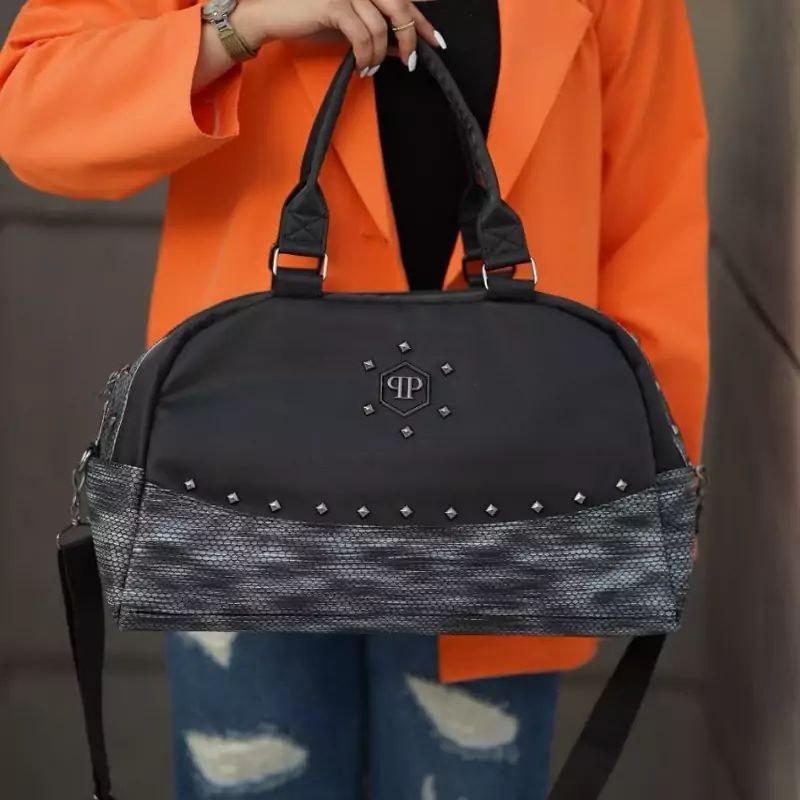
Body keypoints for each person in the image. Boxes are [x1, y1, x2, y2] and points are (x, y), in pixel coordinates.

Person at [0, 1, 709, 797]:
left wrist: (656, 489)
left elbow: (653, 223)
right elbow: (31, 113)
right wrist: (239, 23)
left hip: (515, 505)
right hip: (240, 503)